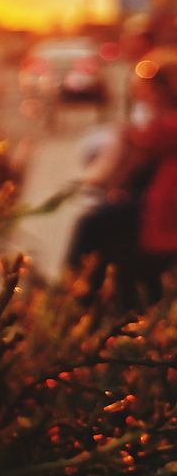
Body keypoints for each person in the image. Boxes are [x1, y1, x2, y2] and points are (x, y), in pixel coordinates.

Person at [66, 49, 177, 307]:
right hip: (156, 204)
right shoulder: (157, 119)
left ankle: (73, 296)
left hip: (165, 211)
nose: (143, 94)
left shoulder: (162, 124)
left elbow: (149, 139)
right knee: (107, 232)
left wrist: (127, 137)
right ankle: (93, 298)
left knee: (92, 224)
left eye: (150, 87)